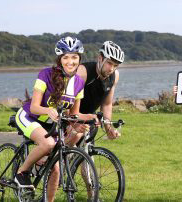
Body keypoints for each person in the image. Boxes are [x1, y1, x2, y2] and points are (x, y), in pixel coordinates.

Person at [14, 36, 91, 202]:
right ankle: (22, 173)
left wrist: (89, 118)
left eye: (74, 57)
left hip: (50, 125)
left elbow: (73, 114)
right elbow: (34, 107)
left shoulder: (79, 83)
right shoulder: (45, 74)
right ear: (60, 59)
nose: (70, 61)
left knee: (55, 169)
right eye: (66, 57)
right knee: (48, 144)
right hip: (29, 116)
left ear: (80, 59)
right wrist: (48, 110)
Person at [78, 41, 125, 140]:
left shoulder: (115, 76)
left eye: (115, 65)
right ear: (100, 58)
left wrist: (108, 129)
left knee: (87, 153)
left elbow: (106, 104)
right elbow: (67, 101)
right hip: (72, 116)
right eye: (109, 63)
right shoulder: (83, 72)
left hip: (91, 119)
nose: (112, 69)